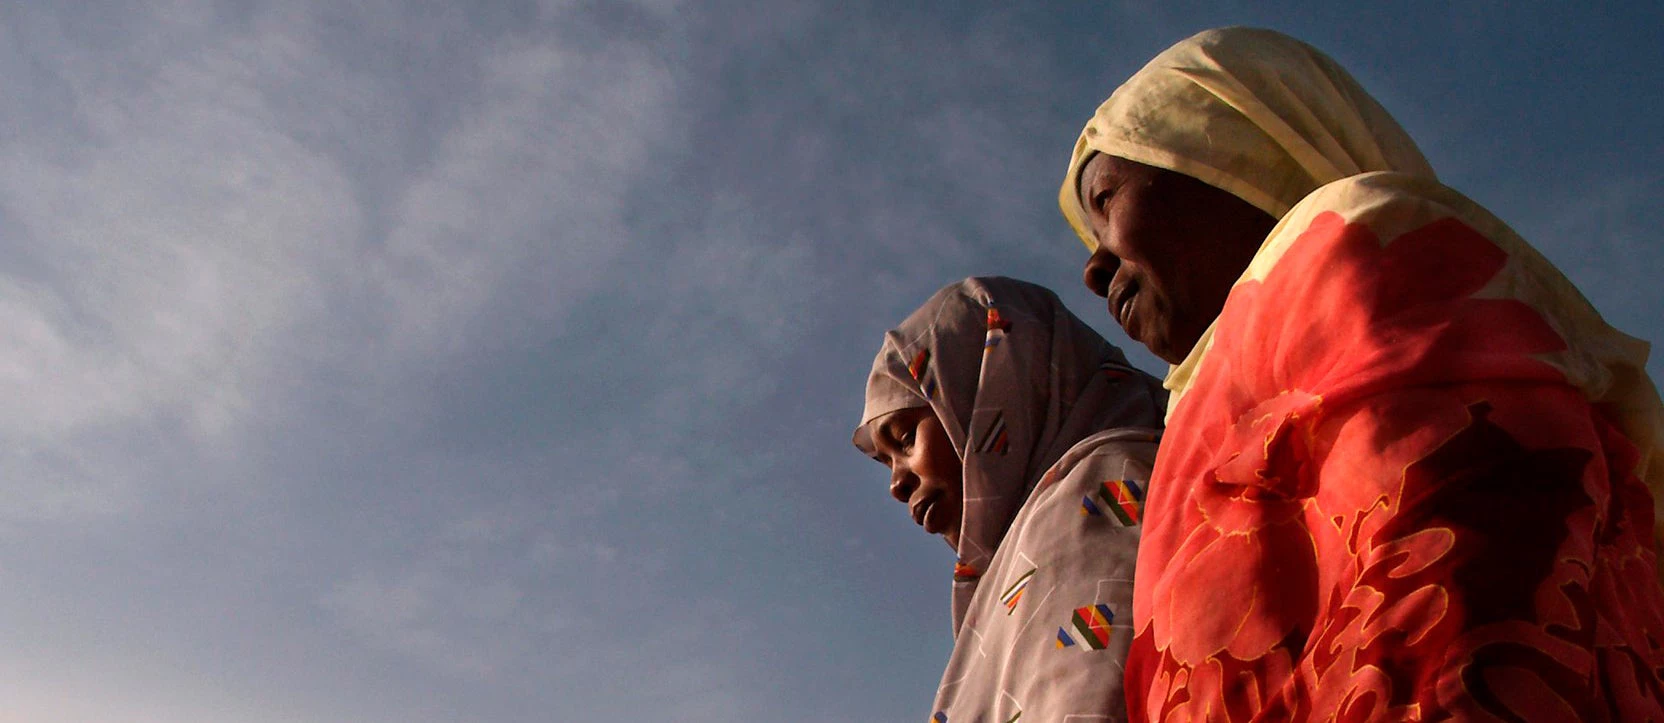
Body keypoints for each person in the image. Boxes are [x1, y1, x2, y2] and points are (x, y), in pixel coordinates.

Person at [1056, 27, 1664, 721]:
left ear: (1228, 147)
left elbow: (1459, 623)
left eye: (1107, 201)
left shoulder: (1361, 252)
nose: (1093, 267)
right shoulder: (1192, 426)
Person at [854, 276, 1167, 722]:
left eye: (905, 440)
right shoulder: (1022, 561)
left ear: (996, 392)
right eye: (886, 464)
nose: (897, 485)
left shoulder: (1094, 499)